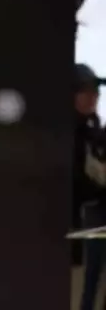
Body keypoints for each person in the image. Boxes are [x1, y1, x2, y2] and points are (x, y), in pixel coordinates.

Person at [74, 64, 106, 310]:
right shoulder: (67, 136)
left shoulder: (93, 132)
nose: (94, 95)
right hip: (78, 233)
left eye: (96, 90)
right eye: (86, 90)